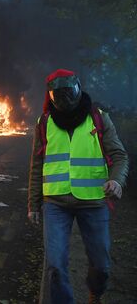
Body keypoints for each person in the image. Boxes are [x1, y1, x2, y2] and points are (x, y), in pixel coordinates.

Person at [28, 69, 129, 304]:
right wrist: (33, 204)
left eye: (69, 92)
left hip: (93, 202)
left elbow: (119, 155)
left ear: (78, 88)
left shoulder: (99, 118)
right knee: (54, 266)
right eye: (58, 95)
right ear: (50, 96)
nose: (65, 99)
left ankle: (96, 292)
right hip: (56, 203)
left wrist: (116, 180)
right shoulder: (44, 123)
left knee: (101, 265)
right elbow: (36, 165)